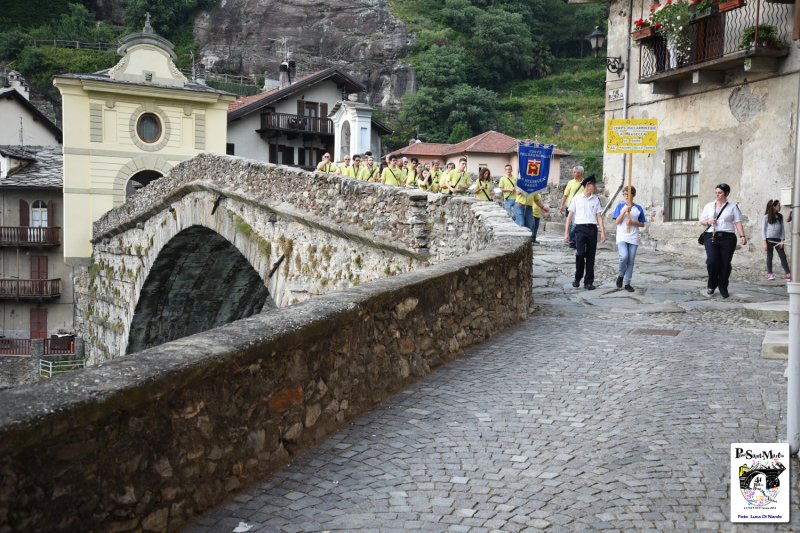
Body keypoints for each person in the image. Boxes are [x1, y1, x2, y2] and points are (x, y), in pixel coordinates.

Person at [699, 183, 747, 298]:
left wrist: (742, 236)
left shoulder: (733, 207)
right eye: (716, 192)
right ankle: (711, 284)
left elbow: (737, 222)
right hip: (711, 236)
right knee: (712, 261)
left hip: (728, 238)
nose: (717, 195)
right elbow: (702, 220)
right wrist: (709, 222)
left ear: (726, 193)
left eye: (720, 193)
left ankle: (723, 286)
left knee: (725, 264)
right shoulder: (709, 206)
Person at [564, 174, 606, 290]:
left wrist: (602, 232)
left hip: (592, 229)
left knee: (591, 257)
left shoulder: (596, 199)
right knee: (580, 254)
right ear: (588, 185)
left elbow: (599, 216)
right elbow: (570, 216)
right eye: (594, 184)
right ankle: (577, 278)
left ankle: (588, 282)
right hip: (580, 229)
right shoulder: (577, 198)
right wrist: (566, 233)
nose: (595, 187)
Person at [613, 186, 646, 292]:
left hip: (633, 237)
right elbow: (617, 222)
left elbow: (642, 224)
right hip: (622, 236)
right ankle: (621, 275)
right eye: (625, 194)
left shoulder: (638, 208)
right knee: (624, 257)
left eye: (629, 194)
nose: (626, 196)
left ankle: (627, 283)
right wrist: (624, 212)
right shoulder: (620, 206)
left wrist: (633, 222)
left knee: (631, 261)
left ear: (633, 195)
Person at [762, 199, 791, 281]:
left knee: (783, 256)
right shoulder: (766, 217)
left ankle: (788, 274)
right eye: (778, 205)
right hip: (769, 240)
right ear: (773, 207)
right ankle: (770, 274)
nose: (780, 206)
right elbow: (763, 230)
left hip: (778, 240)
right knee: (769, 256)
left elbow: (782, 229)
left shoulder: (780, 216)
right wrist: (764, 242)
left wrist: (782, 240)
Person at [559, 166, 585, 248]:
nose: (573, 173)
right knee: (572, 224)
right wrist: (562, 205)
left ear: (580, 173)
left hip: (581, 207)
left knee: (577, 224)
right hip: (570, 206)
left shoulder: (585, 183)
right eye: (573, 172)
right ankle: (572, 240)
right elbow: (565, 195)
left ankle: (574, 240)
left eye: (574, 172)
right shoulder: (570, 182)